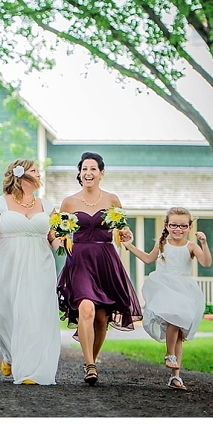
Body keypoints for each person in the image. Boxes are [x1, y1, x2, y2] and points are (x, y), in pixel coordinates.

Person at [56, 151, 142, 386]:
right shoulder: (69, 202)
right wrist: (59, 235)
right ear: (80, 173)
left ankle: (90, 361)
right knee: (86, 309)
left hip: (105, 259)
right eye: (84, 169)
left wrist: (126, 234)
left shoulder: (112, 200)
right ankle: (90, 364)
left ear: (101, 173)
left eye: (93, 169)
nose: (88, 173)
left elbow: (123, 231)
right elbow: (60, 232)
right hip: (80, 260)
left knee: (102, 319)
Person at [0, 159, 61, 385]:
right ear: (20, 175)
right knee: (4, 315)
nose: (39, 174)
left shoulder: (48, 207)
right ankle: (9, 355)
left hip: (39, 268)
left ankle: (30, 370)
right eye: (34, 170)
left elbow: (53, 238)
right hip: (6, 268)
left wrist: (65, 243)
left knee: (34, 316)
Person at [122, 207, 211, 391]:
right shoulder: (162, 244)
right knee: (174, 317)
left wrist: (204, 243)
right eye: (174, 225)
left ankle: (175, 377)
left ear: (190, 227)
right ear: (167, 225)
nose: (178, 229)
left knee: (178, 332)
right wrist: (130, 246)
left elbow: (207, 263)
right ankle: (170, 355)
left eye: (183, 226)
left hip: (183, 288)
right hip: (164, 286)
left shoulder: (191, 246)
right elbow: (148, 259)